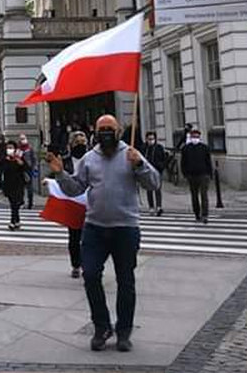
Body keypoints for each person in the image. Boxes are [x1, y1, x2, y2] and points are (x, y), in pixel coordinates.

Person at [47, 114, 159, 353]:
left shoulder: (130, 154)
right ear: (95, 133)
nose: (106, 133)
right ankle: (102, 326)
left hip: (125, 228)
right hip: (95, 228)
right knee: (90, 276)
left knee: (125, 281)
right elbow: (76, 187)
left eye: (110, 128)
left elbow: (154, 183)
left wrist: (139, 164)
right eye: (102, 129)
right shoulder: (89, 158)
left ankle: (124, 330)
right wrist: (60, 174)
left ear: (118, 130)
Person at [62, 131, 89, 278]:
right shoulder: (66, 161)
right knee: (74, 237)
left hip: (89, 204)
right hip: (73, 204)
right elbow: (59, 176)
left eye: (83, 143)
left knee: (89, 237)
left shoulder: (92, 159)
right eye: (77, 143)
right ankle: (76, 264)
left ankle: (88, 264)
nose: (80, 146)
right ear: (71, 144)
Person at [0, 140, 29, 230]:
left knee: (15, 203)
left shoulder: (19, 157)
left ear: (15, 149)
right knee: (13, 203)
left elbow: (26, 167)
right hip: (8, 183)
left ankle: (12, 221)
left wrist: (21, 164)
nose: (9, 149)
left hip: (18, 183)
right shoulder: (5, 158)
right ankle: (17, 220)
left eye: (11, 148)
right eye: (8, 148)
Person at [180, 128, 212, 223]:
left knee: (204, 195)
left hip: (203, 174)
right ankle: (197, 213)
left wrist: (209, 174)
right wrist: (185, 173)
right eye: (193, 136)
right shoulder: (186, 148)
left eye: (197, 137)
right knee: (194, 196)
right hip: (191, 175)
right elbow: (183, 162)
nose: (195, 138)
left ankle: (205, 214)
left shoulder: (204, 148)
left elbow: (208, 161)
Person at [138, 132, 168, 216]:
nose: (151, 141)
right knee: (149, 189)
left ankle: (159, 206)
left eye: (152, 139)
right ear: (146, 139)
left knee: (158, 189)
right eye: (149, 139)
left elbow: (164, 158)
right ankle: (151, 207)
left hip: (157, 170)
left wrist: (161, 166)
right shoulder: (144, 148)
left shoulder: (159, 148)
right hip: (147, 171)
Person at [19, 135, 38, 209]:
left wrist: (34, 168)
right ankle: (22, 202)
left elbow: (34, 159)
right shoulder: (19, 149)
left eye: (23, 139)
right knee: (21, 187)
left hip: (28, 169)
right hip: (20, 170)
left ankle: (30, 203)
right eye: (21, 139)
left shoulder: (29, 149)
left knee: (29, 187)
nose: (23, 140)